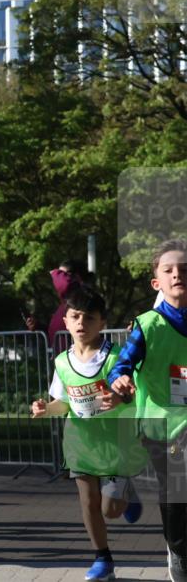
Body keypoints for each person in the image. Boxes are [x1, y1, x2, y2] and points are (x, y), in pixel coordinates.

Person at [31, 285, 146, 581]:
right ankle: (102, 559)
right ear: (66, 322)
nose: (82, 323)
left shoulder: (117, 357)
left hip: (115, 443)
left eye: (89, 318)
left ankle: (127, 493)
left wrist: (122, 397)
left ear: (103, 323)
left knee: (110, 509)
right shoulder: (61, 362)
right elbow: (64, 403)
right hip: (80, 442)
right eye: (75, 317)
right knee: (88, 502)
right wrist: (46, 409)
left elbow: (135, 393)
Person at [108, 238, 187, 582]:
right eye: (168, 270)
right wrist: (120, 378)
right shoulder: (146, 325)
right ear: (157, 282)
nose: (177, 275)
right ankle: (177, 547)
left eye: (184, 270)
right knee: (176, 495)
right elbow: (120, 365)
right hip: (160, 423)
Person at [24, 259, 91, 354]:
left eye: (62, 274)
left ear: (76, 277)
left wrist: (54, 272)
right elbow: (57, 332)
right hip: (62, 360)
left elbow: (65, 285)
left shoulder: (81, 299)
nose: (58, 277)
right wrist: (38, 326)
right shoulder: (66, 304)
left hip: (75, 360)